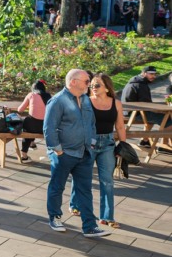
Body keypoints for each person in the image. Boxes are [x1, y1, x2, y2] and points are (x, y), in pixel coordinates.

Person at [43, 69, 110, 238]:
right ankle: (55, 218)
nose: (90, 84)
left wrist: (92, 143)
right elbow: (49, 128)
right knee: (57, 187)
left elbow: (91, 124)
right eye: (87, 81)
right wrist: (57, 150)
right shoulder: (58, 101)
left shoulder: (86, 100)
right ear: (73, 82)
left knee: (85, 190)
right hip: (64, 154)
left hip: (85, 153)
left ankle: (89, 227)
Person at [82, 72, 126, 229]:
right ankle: (76, 205)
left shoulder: (116, 103)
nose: (93, 87)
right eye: (91, 85)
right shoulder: (85, 102)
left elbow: (120, 126)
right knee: (83, 177)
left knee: (107, 181)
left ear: (107, 88)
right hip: (89, 143)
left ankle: (107, 216)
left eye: (97, 85)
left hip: (107, 144)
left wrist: (123, 145)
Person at [16, 79, 50, 156]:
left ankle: (24, 155)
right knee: (32, 122)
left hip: (31, 127)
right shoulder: (48, 96)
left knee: (27, 124)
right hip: (44, 127)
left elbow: (20, 110)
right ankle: (32, 143)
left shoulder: (31, 95)